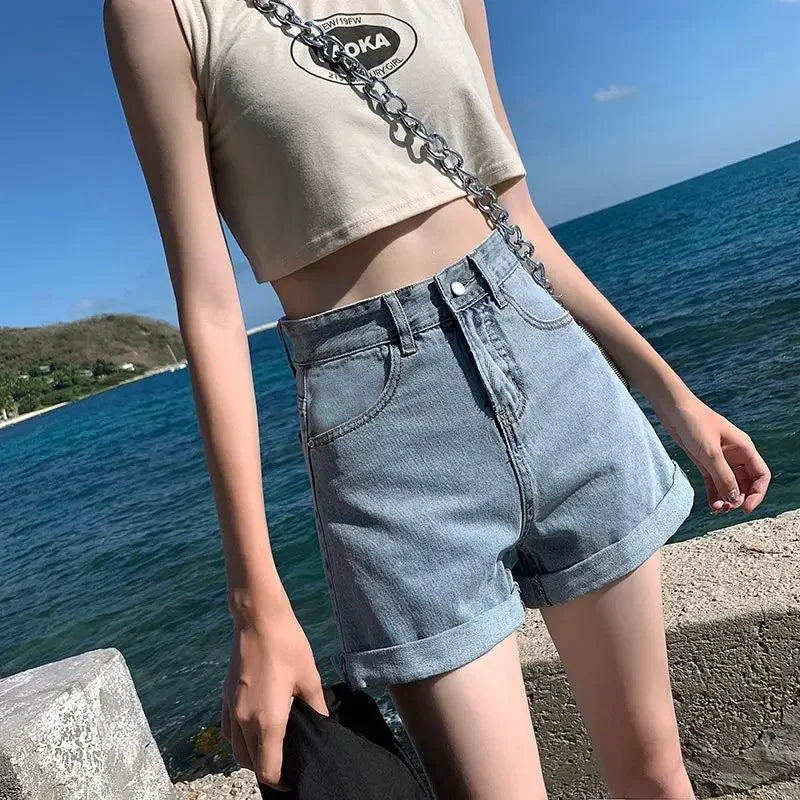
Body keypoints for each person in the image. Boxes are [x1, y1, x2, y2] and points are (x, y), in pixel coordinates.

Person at [103, 1, 771, 797]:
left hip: (551, 364)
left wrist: (673, 394)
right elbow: (209, 305)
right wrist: (256, 603)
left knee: (656, 773)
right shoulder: (162, 12)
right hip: (385, 434)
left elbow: (517, 219)